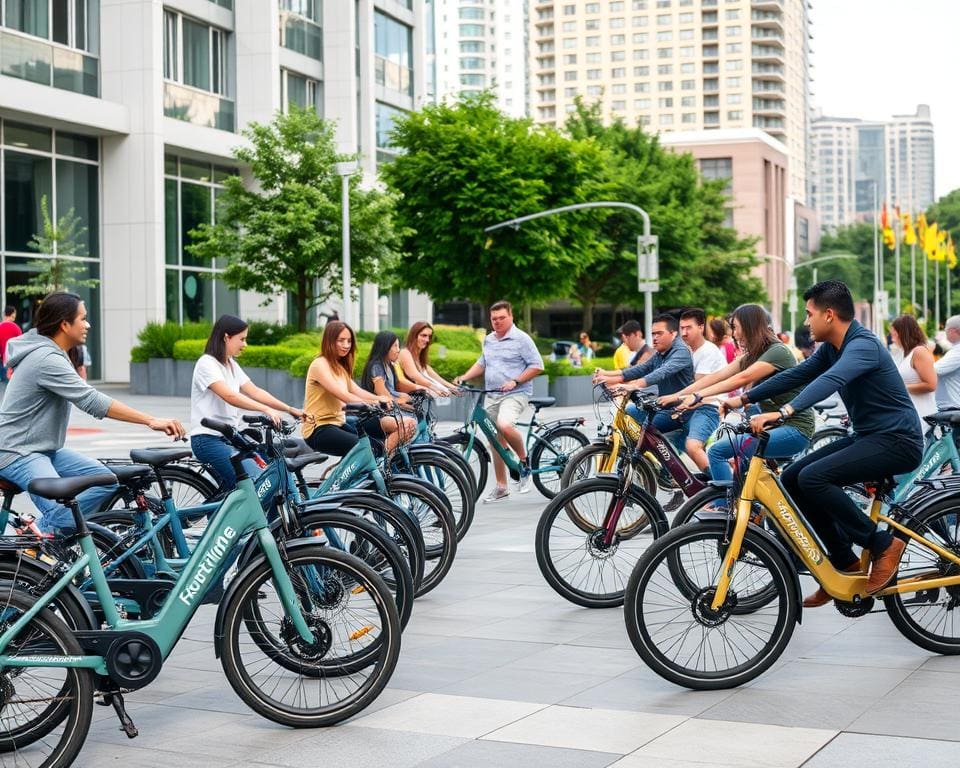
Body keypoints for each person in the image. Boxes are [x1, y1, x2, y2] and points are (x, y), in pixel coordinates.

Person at [723, 281, 923, 604]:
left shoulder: (862, 346)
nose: (805, 322)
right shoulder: (832, 348)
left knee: (814, 478)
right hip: (869, 437)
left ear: (829, 315)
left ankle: (882, 544)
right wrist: (744, 398)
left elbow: (831, 380)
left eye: (808, 314)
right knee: (791, 479)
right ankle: (843, 562)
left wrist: (785, 411)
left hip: (898, 440)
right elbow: (798, 375)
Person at [0, 292, 185, 534]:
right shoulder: (45, 358)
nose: (88, 324)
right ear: (65, 325)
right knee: (62, 511)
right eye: (82, 318)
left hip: (44, 449)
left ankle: (47, 536)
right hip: (17, 451)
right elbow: (92, 401)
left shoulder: (54, 352)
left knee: (106, 480)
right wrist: (150, 420)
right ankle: (38, 546)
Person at [661, 304, 814, 481]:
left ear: (749, 325)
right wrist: (678, 396)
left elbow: (739, 379)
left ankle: (723, 506)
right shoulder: (755, 354)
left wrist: (698, 396)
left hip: (795, 429)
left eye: (735, 327)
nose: (733, 333)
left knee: (717, 451)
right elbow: (717, 376)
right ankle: (751, 507)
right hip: (774, 425)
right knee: (742, 475)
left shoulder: (777, 352)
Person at [189, 315, 306, 492]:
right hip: (208, 439)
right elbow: (230, 396)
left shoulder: (231, 365)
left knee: (272, 480)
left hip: (230, 437)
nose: (245, 344)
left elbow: (255, 391)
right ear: (226, 337)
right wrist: (266, 409)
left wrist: (289, 409)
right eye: (242, 339)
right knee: (257, 483)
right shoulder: (207, 364)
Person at [452, 300, 544, 502]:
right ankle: (502, 487)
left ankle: (524, 463)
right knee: (494, 440)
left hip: (515, 394)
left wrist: (515, 381)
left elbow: (537, 366)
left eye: (502, 318)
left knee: (504, 424)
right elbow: (482, 362)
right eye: (494, 319)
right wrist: (464, 377)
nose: (497, 322)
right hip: (492, 394)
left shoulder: (522, 339)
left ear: (511, 317)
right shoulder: (489, 339)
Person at [592, 313, 695, 460]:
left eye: (659, 333)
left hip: (679, 411)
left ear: (673, 334)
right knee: (629, 412)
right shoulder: (661, 352)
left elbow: (661, 373)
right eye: (653, 334)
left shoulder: (681, 351)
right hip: (664, 406)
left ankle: (662, 469)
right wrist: (606, 375)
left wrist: (633, 386)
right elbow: (640, 369)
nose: (655, 337)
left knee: (645, 431)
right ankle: (645, 463)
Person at [302, 321, 412, 457]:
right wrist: (376, 403)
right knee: (367, 451)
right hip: (319, 429)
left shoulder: (339, 366)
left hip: (337, 423)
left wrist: (380, 398)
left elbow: (356, 391)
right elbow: (345, 396)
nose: (346, 345)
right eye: (341, 340)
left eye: (349, 341)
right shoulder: (319, 365)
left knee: (374, 446)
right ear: (329, 341)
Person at [672, 308, 726, 470]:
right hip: (690, 408)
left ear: (701, 327)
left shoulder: (708, 351)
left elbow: (697, 388)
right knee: (660, 440)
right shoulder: (689, 352)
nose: (684, 332)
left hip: (709, 407)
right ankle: (673, 479)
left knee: (693, 446)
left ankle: (720, 486)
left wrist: (674, 400)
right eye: (682, 328)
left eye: (689, 328)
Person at [889, 315, 937, 420]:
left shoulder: (919, 351)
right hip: (909, 414)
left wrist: (900, 389)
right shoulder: (904, 353)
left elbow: (931, 385)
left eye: (894, 334)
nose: (892, 339)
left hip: (922, 416)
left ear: (902, 334)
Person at [397, 322, 456, 397]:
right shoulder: (405, 353)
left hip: (426, 400)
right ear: (414, 336)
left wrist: (452, 387)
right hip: (412, 401)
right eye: (423, 335)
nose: (427, 340)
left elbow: (435, 377)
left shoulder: (419, 357)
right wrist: (437, 389)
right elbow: (416, 377)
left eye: (429, 336)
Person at [934, 315, 960, 410]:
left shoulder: (958, 351)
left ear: (953, 331)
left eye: (946, 328)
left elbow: (934, 370)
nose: (944, 330)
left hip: (953, 409)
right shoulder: (955, 349)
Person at [0, 304, 22, 382]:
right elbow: (21, 346)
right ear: (12, 313)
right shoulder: (16, 328)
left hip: (2, 363)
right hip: (13, 363)